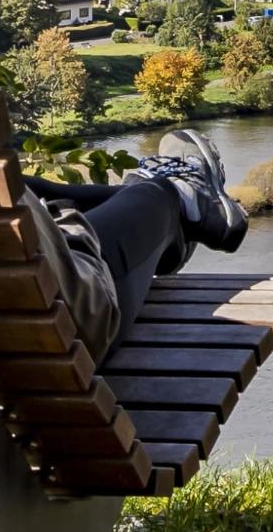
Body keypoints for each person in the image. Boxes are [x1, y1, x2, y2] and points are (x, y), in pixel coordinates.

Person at [21, 129, 250, 360]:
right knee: (162, 193)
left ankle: (156, 203)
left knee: (12, 189)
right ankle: (183, 198)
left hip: (6, 358)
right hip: (70, 325)